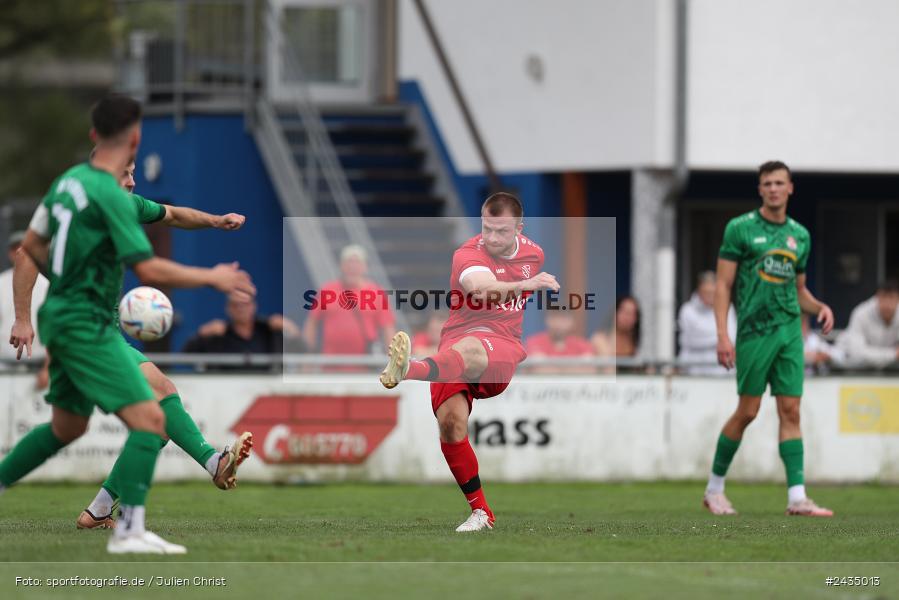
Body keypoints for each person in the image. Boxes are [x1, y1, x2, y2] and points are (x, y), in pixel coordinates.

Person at [0, 95, 255, 554]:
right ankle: (132, 529)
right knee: (153, 418)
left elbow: (30, 250)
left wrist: (216, 221)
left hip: (73, 321)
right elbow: (152, 271)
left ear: (95, 136)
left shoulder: (70, 185)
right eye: (131, 169)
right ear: (132, 137)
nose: (134, 180)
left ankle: (105, 508)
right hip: (85, 326)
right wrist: (213, 278)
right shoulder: (110, 200)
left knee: (69, 428)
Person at [379, 192, 559, 532]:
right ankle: (481, 513)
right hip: (453, 348)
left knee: (474, 346)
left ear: (519, 229)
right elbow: (479, 289)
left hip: (502, 345)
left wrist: (526, 281)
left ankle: (410, 369)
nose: (491, 237)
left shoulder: (534, 254)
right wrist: (526, 284)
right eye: (487, 228)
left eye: (501, 231)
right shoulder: (467, 253)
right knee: (450, 425)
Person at [703, 160, 835, 517]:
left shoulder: (800, 235)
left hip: (790, 331)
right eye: (767, 183)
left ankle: (797, 497)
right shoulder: (740, 229)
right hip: (753, 332)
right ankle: (714, 489)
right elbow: (724, 286)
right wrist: (722, 335)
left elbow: (800, 290)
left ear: (790, 187)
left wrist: (819, 306)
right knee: (748, 411)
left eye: (780, 182)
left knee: (791, 410)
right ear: (760, 189)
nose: (774, 188)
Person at [302, 244, 395, 369]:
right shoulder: (328, 290)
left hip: (365, 365)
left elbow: (387, 329)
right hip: (331, 364)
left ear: (365, 267)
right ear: (341, 266)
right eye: (349, 262)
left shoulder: (376, 293)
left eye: (357, 263)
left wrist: (392, 361)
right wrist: (307, 356)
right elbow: (312, 323)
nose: (353, 267)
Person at [183, 292, 300, 357]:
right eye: (235, 305)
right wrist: (201, 334)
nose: (240, 309)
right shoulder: (219, 334)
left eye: (245, 304)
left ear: (254, 306)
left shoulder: (268, 330)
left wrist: (291, 329)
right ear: (227, 308)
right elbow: (186, 355)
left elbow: (302, 351)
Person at [0, 231, 49, 385]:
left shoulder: (47, 286)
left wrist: (48, 368)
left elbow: (54, 328)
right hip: (5, 368)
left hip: (39, 369)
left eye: (23, 248)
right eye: (15, 249)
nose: (19, 253)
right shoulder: (1, 284)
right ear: (9, 253)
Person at [677, 271, 737, 375]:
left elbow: (732, 338)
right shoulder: (687, 310)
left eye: (712, 292)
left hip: (721, 371)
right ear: (699, 290)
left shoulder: (728, 308)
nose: (709, 296)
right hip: (694, 371)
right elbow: (688, 341)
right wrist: (721, 337)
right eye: (706, 292)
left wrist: (705, 336)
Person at [836, 279, 899, 369]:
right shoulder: (861, 313)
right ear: (877, 297)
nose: (887, 304)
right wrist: (893, 354)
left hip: (891, 371)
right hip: (852, 370)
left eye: (892, 297)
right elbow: (857, 354)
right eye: (883, 297)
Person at [524, 310, 594, 374]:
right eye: (554, 318)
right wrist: (573, 368)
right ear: (547, 320)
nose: (558, 324)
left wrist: (552, 367)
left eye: (563, 319)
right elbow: (537, 369)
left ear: (571, 322)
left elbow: (590, 369)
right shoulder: (534, 342)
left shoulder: (581, 344)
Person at [591, 295, 641, 371]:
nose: (628, 317)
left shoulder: (632, 344)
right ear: (616, 313)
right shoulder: (600, 339)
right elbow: (608, 368)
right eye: (625, 312)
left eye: (632, 314)